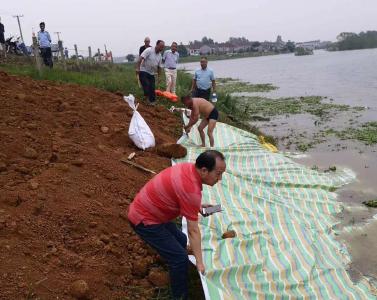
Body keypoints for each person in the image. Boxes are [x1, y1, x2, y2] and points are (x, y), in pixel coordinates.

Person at [128, 150, 226, 300]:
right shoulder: (191, 189)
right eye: (218, 174)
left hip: (150, 211)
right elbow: (193, 231)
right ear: (204, 170)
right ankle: (180, 296)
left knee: (180, 238)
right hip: (144, 220)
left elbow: (181, 193)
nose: (220, 179)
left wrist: (197, 207)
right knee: (180, 258)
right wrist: (200, 263)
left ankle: (175, 264)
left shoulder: (189, 168)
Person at [136, 40, 164, 105]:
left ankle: (152, 101)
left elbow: (159, 67)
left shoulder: (160, 56)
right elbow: (140, 58)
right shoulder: (149, 50)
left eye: (163, 47)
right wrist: (137, 68)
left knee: (152, 87)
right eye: (161, 47)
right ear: (157, 45)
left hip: (151, 73)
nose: (162, 48)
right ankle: (147, 99)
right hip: (143, 70)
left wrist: (159, 77)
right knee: (146, 84)